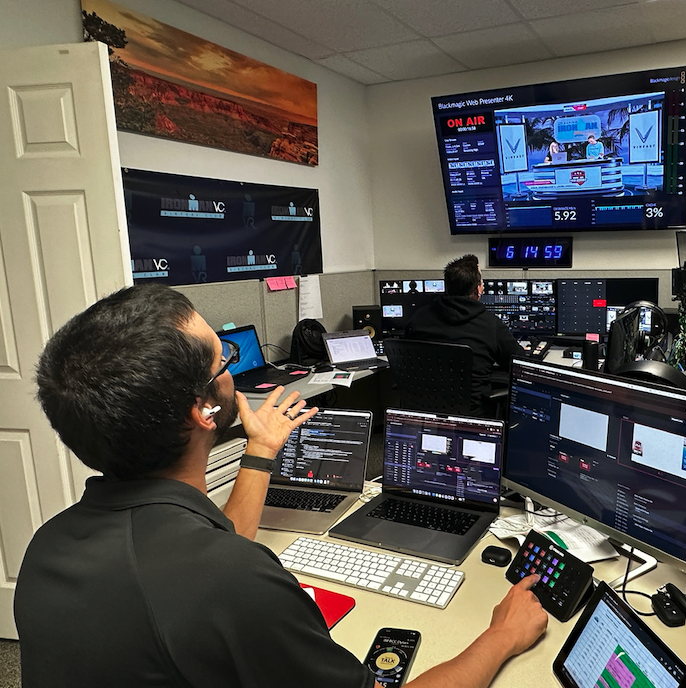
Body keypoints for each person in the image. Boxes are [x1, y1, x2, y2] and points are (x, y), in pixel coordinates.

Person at [15, 284, 547, 688]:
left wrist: (262, 449)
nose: (230, 368)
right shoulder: (232, 581)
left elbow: (211, 549)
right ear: (203, 410)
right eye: (222, 356)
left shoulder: (48, 547)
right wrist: (502, 636)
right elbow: (221, 571)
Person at [404, 254, 525, 415]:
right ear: (478, 290)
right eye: (481, 283)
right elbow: (519, 364)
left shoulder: (418, 318)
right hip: (473, 416)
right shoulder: (490, 324)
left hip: (424, 413)